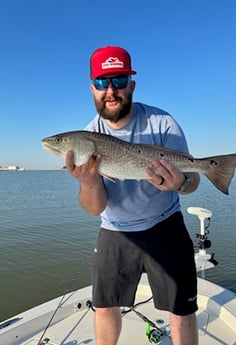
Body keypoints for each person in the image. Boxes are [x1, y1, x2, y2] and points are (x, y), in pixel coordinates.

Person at [66, 45, 200, 345]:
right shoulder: (87, 138)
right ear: (92, 89)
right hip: (115, 230)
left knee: (182, 310)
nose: (110, 91)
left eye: (119, 81)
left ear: (132, 85)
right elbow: (94, 208)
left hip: (166, 224)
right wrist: (88, 183)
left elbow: (192, 181)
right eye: (102, 83)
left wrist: (180, 184)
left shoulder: (162, 123)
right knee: (104, 307)